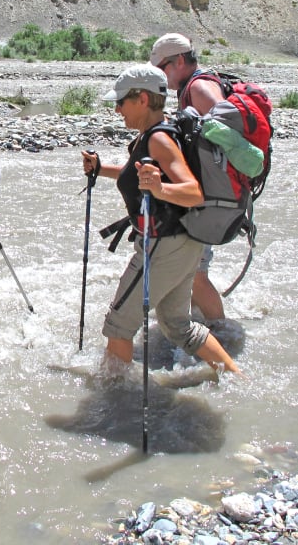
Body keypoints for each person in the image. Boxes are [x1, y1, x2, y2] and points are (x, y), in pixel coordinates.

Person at [81, 64, 239, 373]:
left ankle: (113, 399)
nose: (116, 109)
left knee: (118, 325)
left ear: (142, 99)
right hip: (182, 244)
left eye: (121, 101)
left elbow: (193, 192)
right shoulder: (152, 134)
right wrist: (101, 169)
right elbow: (135, 176)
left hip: (164, 247)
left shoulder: (159, 140)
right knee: (177, 325)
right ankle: (237, 378)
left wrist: (160, 188)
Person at [150, 33, 226, 321]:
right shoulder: (194, 87)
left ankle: (221, 332)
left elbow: (223, 127)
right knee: (193, 269)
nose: (162, 76)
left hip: (206, 193)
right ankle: (200, 323)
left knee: (196, 273)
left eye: (162, 68)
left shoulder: (200, 87)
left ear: (179, 61)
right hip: (204, 191)